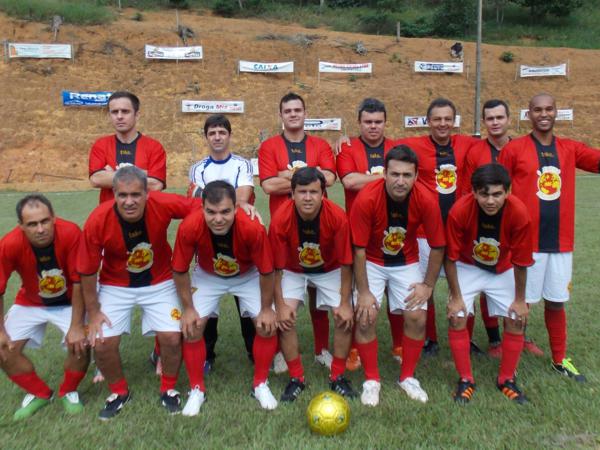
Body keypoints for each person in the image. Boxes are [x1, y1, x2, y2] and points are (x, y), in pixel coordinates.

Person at [78, 166, 199, 420]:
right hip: (115, 285)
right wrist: (94, 311)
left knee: (171, 338)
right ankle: (119, 392)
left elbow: (201, 207)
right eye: (122, 195)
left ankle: (169, 388)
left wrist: (240, 205)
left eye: (135, 194)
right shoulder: (98, 219)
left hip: (160, 281)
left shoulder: (162, 203)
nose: (129, 201)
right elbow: (87, 271)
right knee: (101, 342)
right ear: (114, 194)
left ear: (147, 193)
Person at [499, 93, 600, 383]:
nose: (544, 114)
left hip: (560, 243)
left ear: (556, 112)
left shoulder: (569, 148)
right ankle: (511, 365)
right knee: (520, 304)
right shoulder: (514, 149)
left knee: (556, 302)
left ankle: (559, 359)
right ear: (528, 114)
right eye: (537, 110)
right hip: (525, 244)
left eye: (549, 109)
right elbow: (496, 188)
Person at [173, 181, 278, 415]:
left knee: (266, 326)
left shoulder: (252, 227)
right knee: (192, 327)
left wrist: (266, 309)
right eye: (211, 212)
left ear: (236, 208)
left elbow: (266, 270)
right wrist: (188, 309)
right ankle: (196, 389)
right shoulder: (190, 226)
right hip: (208, 275)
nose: (218, 219)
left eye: (225, 212)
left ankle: (260, 384)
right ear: (202, 208)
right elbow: (179, 270)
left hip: (247, 274)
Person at [350, 146, 445, 406]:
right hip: (371, 260)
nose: (400, 181)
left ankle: (408, 377)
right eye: (394, 174)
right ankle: (371, 379)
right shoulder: (367, 198)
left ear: (416, 176)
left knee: (417, 317)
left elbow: (438, 245)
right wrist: (364, 292)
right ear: (384, 173)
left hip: (406, 260)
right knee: (365, 317)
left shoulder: (426, 198)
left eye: (406, 175)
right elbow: (358, 250)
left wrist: (428, 285)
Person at [258, 92, 337, 369]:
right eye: (288, 110)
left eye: (297, 110)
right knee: (281, 287)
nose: (293, 114)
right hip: (285, 229)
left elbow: (330, 178)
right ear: (281, 115)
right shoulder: (269, 146)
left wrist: (285, 174)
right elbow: (268, 185)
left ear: (305, 113)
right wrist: (312, 176)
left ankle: (321, 349)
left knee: (318, 293)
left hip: (319, 227)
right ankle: (282, 352)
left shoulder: (320, 144)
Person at [462, 99, 543, 358]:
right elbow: (467, 190)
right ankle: (494, 339)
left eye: (499, 117)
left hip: (516, 224)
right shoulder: (475, 151)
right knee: (486, 277)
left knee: (516, 278)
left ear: (509, 119)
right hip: (484, 226)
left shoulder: (523, 148)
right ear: (483, 122)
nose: (495, 122)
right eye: (490, 118)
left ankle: (520, 334)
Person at [445, 164, 533, 404]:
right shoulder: (459, 211)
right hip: (468, 265)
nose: (491, 201)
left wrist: (520, 300)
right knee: (457, 316)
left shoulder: (519, 212)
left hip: (502, 267)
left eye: (497, 194)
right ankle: (466, 379)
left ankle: (506, 379)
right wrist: (455, 297)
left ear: (507, 192)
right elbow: (450, 258)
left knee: (516, 318)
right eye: (484, 194)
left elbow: (521, 261)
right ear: (474, 192)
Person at [397, 98, 478, 356]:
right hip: (425, 233)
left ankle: (467, 338)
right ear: (428, 121)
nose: (442, 123)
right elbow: (380, 144)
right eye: (437, 119)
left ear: (454, 121)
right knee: (425, 287)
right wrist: (346, 141)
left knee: (464, 288)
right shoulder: (413, 145)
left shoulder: (467, 143)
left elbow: (496, 146)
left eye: (447, 119)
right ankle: (430, 339)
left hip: (459, 232)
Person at [269, 168, 356, 402]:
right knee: (284, 318)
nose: (308, 197)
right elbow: (275, 269)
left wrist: (345, 303)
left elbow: (346, 263)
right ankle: (297, 378)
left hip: (330, 269)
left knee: (344, 317)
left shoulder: (337, 216)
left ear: (323, 193)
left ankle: (337, 376)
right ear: (292, 194)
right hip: (293, 270)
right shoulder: (280, 219)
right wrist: (280, 305)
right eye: (302, 192)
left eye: (314, 192)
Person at [0, 195, 89, 420]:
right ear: (21, 226)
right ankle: (39, 393)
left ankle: (68, 390)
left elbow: (79, 281)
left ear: (54, 218)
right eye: (32, 224)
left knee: (81, 343)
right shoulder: (10, 243)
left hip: (70, 301)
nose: (40, 229)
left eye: (45, 221)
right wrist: (0, 331)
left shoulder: (70, 233)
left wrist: (77, 326)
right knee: (2, 349)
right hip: (30, 302)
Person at [182, 114, 256, 374]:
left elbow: (243, 199)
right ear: (206, 137)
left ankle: (254, 351)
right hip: (208, 240)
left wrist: (214, 200)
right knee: (207, 306)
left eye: (222, 132)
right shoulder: (197, 168)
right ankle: (207, 354)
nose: (217, 137)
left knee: (247, 302)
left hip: (240, 239)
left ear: (229, 135)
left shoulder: (242, 164)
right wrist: (226, 202)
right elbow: (199, 203)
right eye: (212, 132)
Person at [335, 98, 404, 370]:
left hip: (395, 229)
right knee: (358, 290)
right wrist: (390, 178)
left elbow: (408, 176)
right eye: (368, 122)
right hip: (359, 231)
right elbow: (349, 181)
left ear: (385, 122)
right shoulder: (348, 147)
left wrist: (370, 178)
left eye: (378, 122)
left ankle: (399, 344)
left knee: (395, 290)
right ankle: (354, 347)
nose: (373, 126)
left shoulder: (397, 148)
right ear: (359, 123)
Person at [88, 91, 166, 204]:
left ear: (137, 115)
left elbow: (156, 185)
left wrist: (113, 174)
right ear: (109, 115)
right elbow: (96, 180)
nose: (119, 116)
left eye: (125, 111)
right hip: (110, 212)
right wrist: (142, 174)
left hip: (145, 212)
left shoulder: (154, 147)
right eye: (114, 112)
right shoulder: (101, 145)